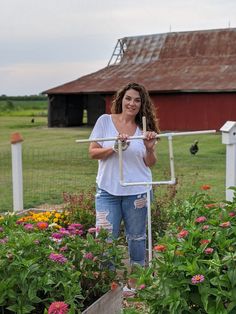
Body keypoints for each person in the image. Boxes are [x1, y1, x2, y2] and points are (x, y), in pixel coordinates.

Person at [89, 82, 159, 267]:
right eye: (128, 98)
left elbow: (149, 163)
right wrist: (114, 147)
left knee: (136, 237)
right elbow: (93, 152)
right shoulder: (105, 121)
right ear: (121, 99)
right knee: (105, 240)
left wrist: (149, 148)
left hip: (137, 191)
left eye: (137, 100)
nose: (132, 103)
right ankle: (108, 284)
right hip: (107, 190)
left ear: (142, 104)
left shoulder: (144, 128)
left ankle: (137, 282)